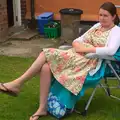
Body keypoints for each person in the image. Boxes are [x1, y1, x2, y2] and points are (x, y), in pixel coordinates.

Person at [0, 2, 120, 120]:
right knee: (46, 65)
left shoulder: (116, 31)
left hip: (89, 62)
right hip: (75, 54)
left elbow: (110, 51)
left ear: (113, 17)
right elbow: (78, 39)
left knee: (45, 55)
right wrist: (77, 45)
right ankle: (42, 107)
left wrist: (86, 48)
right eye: (100, 15)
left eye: (106, 16)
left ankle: (17, 83)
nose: (102, 18)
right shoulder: (96, 26)